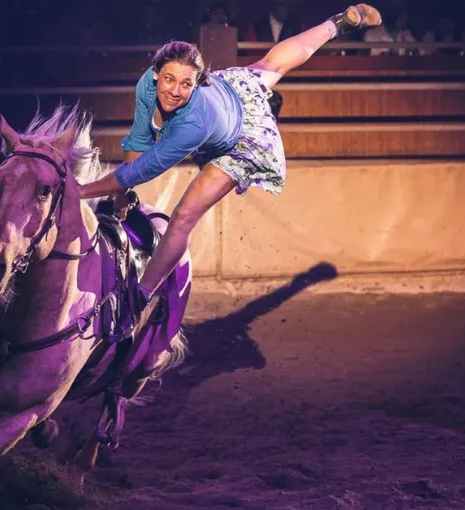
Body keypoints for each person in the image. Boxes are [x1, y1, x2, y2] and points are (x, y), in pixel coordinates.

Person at [77, 4, 382, 340]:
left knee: (183, 217)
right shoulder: (147, 87)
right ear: (154, 75)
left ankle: (140, 299)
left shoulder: (192, 127)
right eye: (169, 80)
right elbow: (138, 140)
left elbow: (139, 171)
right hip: (234, 89)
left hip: (241, 141)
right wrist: (121, 197)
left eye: (186, 84)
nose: (175, 91)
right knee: (271, 65)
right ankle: (338, 23)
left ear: (198, 82)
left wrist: (79, 191)